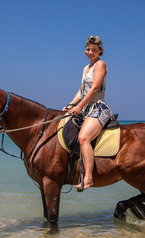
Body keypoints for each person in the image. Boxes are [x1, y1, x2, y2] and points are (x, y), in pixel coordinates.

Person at [63, 35, 112, 190]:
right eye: (88, 49)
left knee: (83, 138)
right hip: (84, 108)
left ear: (100, 51)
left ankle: (89, 178)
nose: (90, 52)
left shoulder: (100, 64)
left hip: (98, 108)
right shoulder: (86, 68)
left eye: (94, 50)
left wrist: (79, 107)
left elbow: (95, 89)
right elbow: (81, 91)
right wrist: (71, 104)